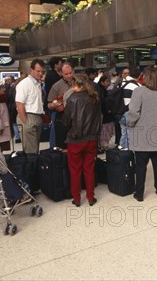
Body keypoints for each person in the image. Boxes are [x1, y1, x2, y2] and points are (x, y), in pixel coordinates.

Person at [127, 66, 157, 201]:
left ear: (144, 77)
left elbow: (133, 112)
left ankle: (139, 194)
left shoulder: (138, 91)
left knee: (140, 166)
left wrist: (130, 124)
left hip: (141, 135)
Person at [62, 74, 102, 207]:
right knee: (89, 169)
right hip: (91, 138)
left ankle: (77, 198)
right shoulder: (94, 97)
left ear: (79, 85)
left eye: (73, 85)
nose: (72, 87)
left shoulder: (72, 100)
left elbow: (66, 122)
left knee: (75, 171)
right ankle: (91, 197)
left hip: (75, 139)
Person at [15, 59, 45, 153]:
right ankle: (32, 167)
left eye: (42, 72)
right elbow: (19, 104)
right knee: (30, 151)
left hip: (37, 116)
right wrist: (26, 123)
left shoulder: (37, 84)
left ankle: (34, 166)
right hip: (28, 116)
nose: (41, 74)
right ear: (31, 70)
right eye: (38, 71)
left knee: (34, 149)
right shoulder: (24, 84)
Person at [46, 62, 74, 149]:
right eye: (66, 74)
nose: (69, 76)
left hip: (76, 118)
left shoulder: (78, 83)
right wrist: (54, 105)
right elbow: (49, 104)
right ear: (61, 73)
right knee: (62, 145)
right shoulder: (56, 86)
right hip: (61, 118)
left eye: (70, 73)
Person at [117, 67, 140, 150]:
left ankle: (123, 147)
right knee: (131, 136)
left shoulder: (120, 84)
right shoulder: (137, 86)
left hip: (120, 112)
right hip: (130, 114)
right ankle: (131, 155)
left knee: (124, 132)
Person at [97, 75, 115, 151]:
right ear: (102, 82)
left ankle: (103, 145)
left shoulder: (103, 90)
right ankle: (103, 145)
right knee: (105, 130)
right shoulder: (101, 91)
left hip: (106, 115)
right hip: (104, 115)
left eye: (109, 81)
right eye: (107, 81)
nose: (109, 83)